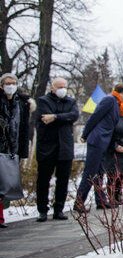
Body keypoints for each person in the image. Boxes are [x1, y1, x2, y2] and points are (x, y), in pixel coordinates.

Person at [75, 83, 123, 212]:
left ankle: (100, 200)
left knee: (99, 173)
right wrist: (85, 134)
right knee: (90, 172)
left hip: (104, 141)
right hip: (97, 140)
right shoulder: (109, 100)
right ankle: (79, 202)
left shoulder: (115, 102)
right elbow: (95, 116)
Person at [35, 77, 79, 221]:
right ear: (52, 88)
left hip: (65, 147)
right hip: (47, 147)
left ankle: (58, 209)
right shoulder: (43, 101)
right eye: (59, 86)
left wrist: (55, 116)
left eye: (65, 86)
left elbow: (73, 116)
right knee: (43, 180)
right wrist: (61, 118)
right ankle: (42, 209)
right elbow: (45, 118)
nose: (62, 89)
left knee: (63, 181)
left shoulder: (71, 101)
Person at [0, 73, 33, 228]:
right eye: (8, 83)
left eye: (14, 83)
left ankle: (1, 217)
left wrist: (22, 151)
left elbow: (24, 128)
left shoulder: (21, 103)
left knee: (6, 184)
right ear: (2, 85)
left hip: (12, 150)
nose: (11, 85)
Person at [102, 99, 123, 208]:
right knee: (111, 175)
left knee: (120, 175)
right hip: (113, 151)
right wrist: (115, 146)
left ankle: (118, 196)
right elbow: (110, 133)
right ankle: (110, 197)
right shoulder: (114, 118)